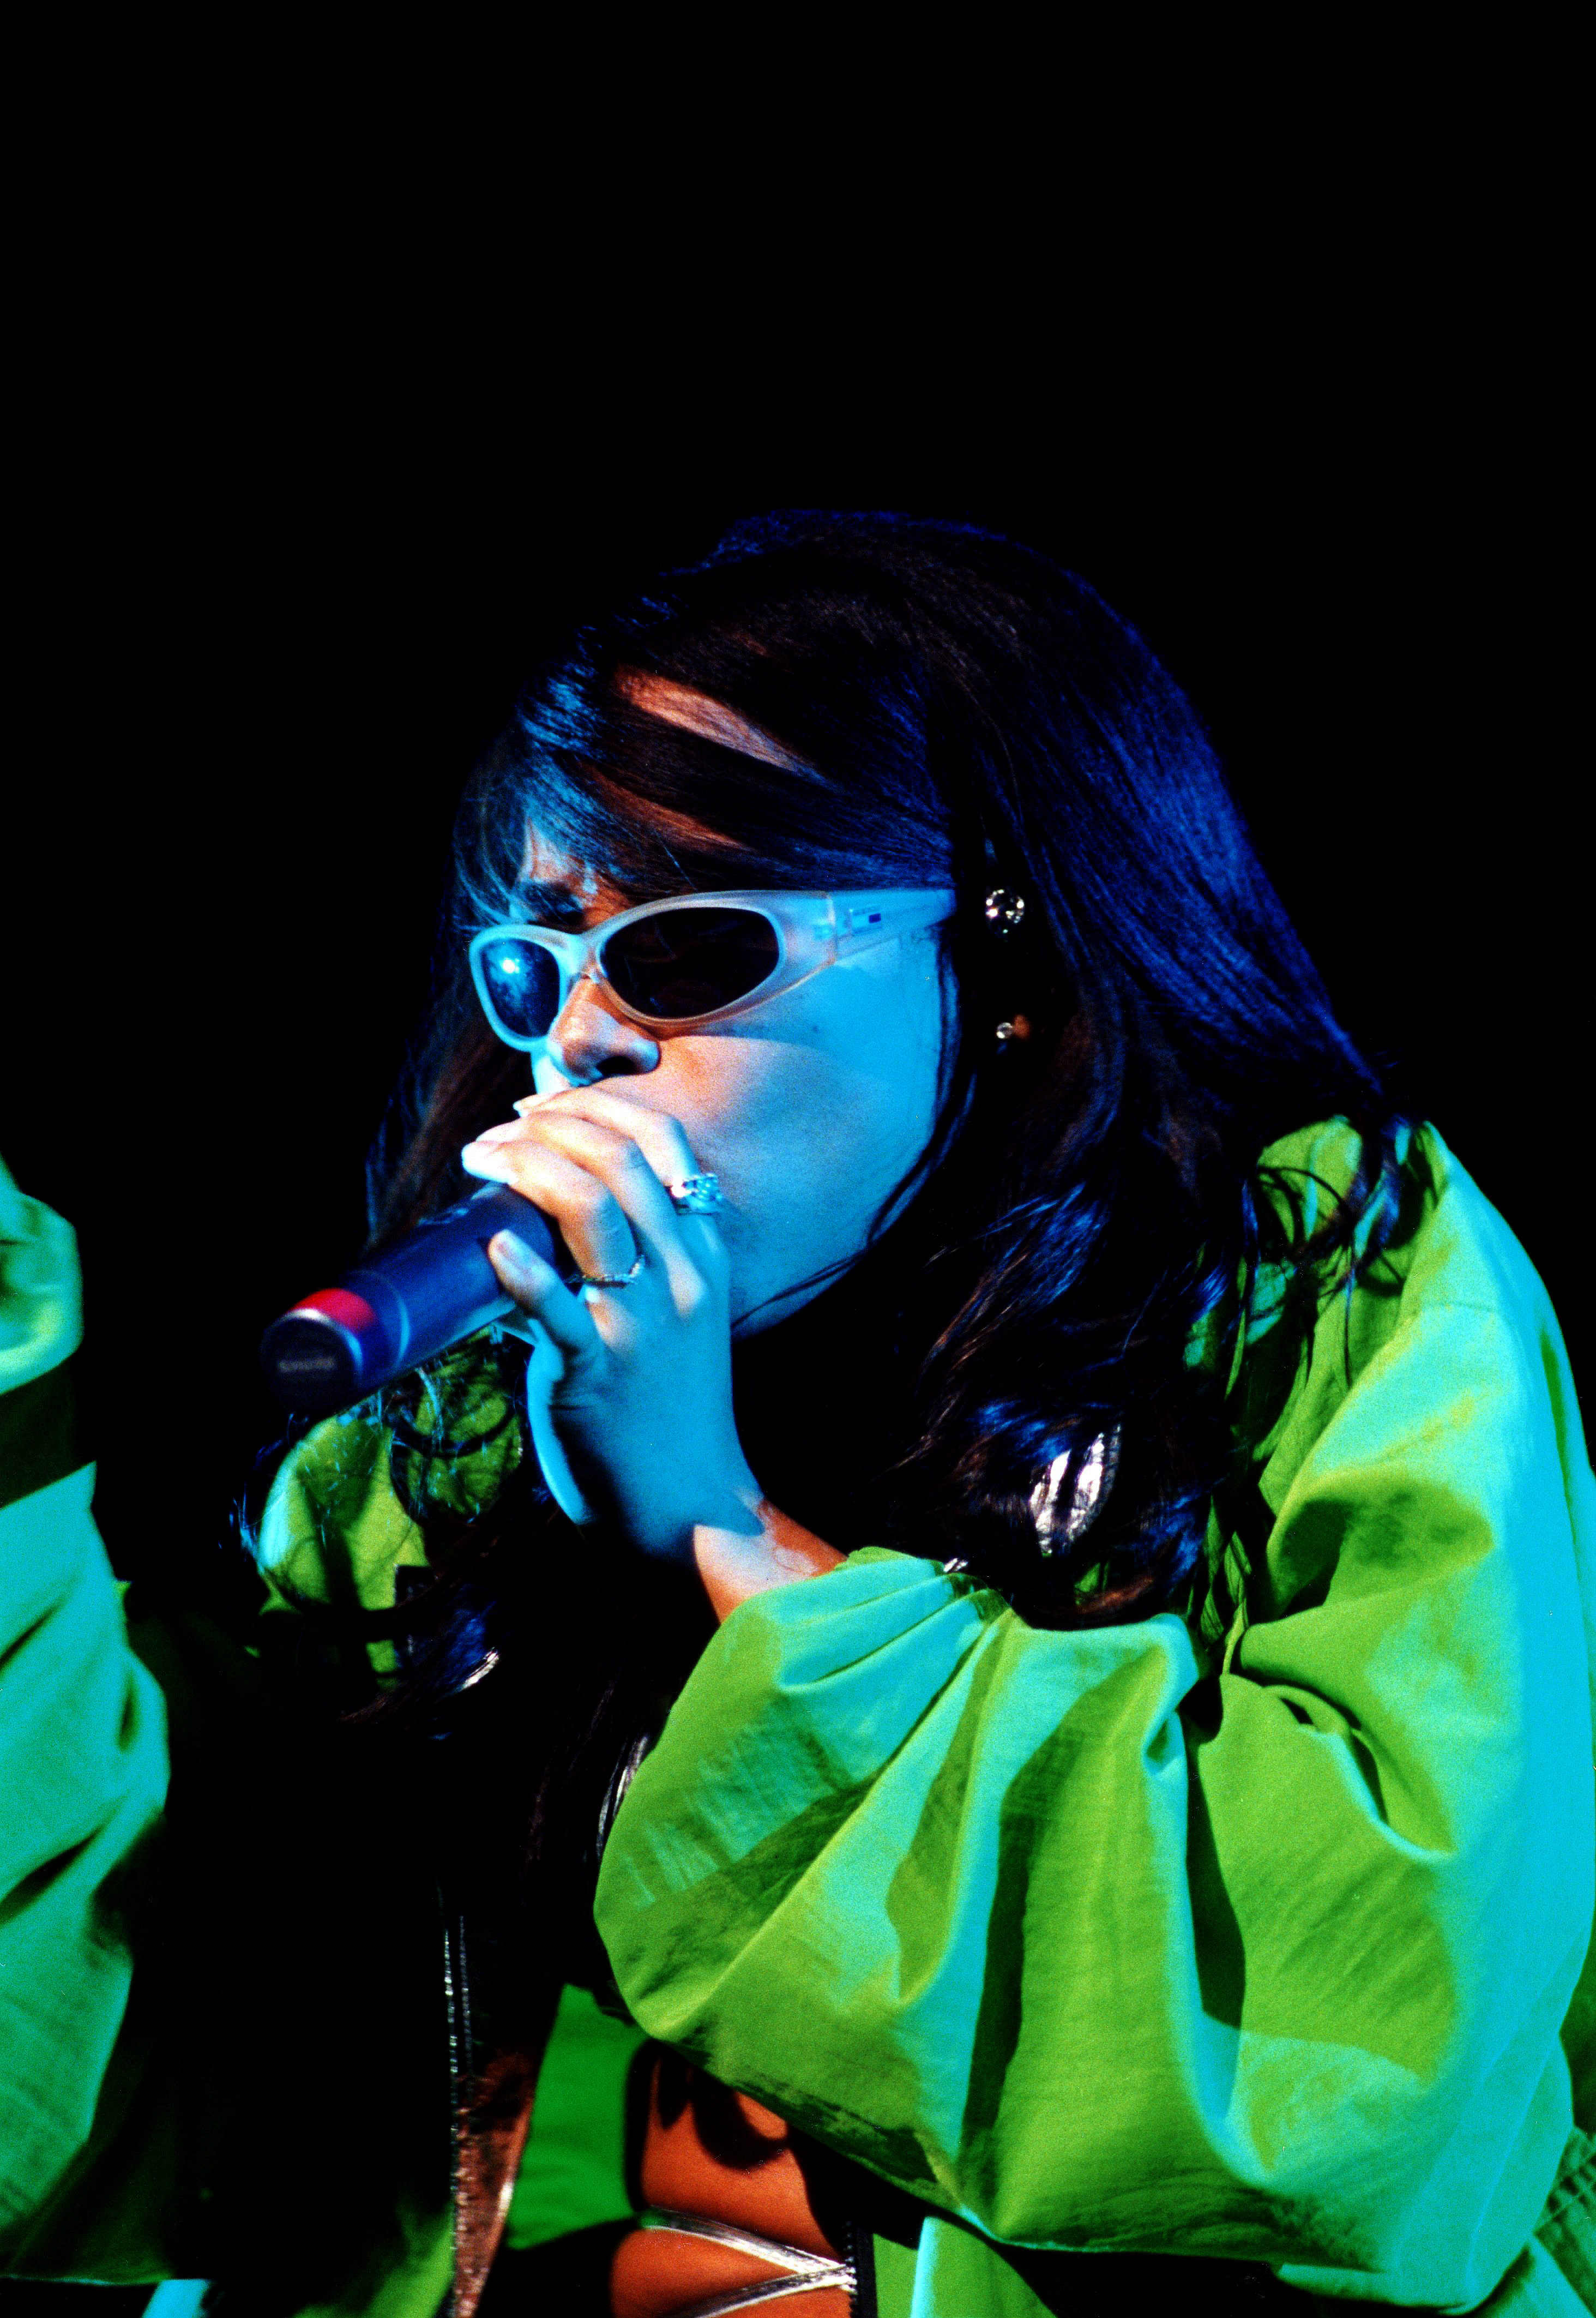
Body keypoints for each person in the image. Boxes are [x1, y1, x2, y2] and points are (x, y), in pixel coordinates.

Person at [2, 512, 1593, 2318]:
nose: (582, 1042)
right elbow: (126, 2067)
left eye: (686, 954)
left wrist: (713, 1522)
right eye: (538, 964)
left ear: (1000, 965)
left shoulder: (1323, 1277)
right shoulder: (462, 1411)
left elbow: (1350, 2059)